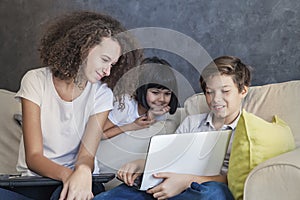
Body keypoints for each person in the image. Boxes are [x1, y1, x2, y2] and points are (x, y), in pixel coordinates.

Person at [0, 11, 140, 200]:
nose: (108, 71)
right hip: (37, 180)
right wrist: (69, 177)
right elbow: (33, 157)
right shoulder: (35, 80)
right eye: (105, 60)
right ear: (84, 48)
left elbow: (86, 156)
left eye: (113, 65)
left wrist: (81, 172)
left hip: (85, 180)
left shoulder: (101, 93)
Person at [94, 55, 252, 200]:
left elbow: (234, 178)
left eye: (225, 91)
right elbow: (168, 159)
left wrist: (185, 181)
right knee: (117, 195)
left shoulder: (249, 131)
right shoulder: (192, 122)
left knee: (214, 192)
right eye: (209, 92)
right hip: (167, 184)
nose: (216, 99)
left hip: (201, 189)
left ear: (243, 90)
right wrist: (140, 164)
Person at [102, 56, 179, 139]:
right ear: (142, 89)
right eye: (155, 92)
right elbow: (96, 134)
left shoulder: (159, 112)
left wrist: (151, 114)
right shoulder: (125, 105)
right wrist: (131, 126)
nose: (162, 99)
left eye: (167, 94)